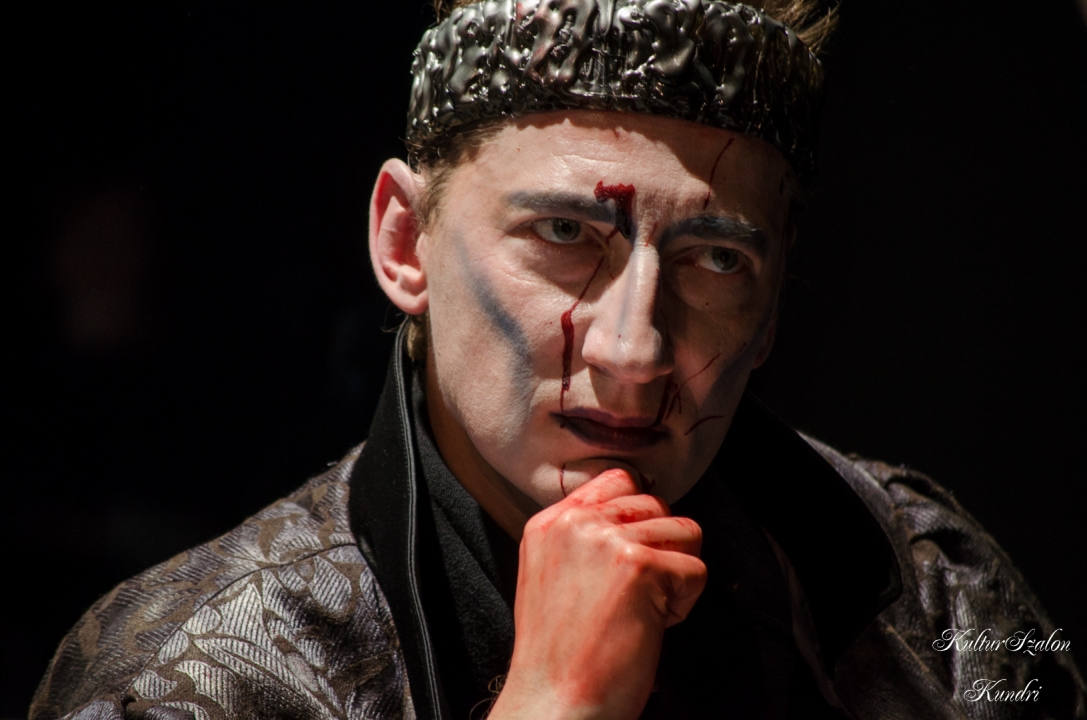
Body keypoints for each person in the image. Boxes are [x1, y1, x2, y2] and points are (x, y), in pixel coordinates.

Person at [30, 1, 1086, 719]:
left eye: (715, 259)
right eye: (565, 235)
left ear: (771, 307)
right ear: (405, 244)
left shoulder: (929, 596)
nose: (633, 353)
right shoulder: (199, 677)